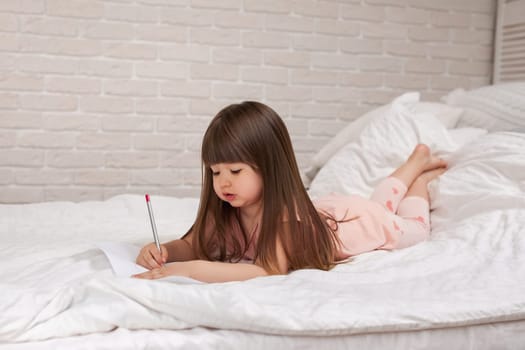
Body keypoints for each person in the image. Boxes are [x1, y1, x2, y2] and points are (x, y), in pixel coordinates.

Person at [134, 101, 447, 283]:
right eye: (216, 172)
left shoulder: (284, 218)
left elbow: (266, 270)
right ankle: (415, 162)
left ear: (269, 166)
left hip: (359, 225)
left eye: (235, 171)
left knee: (407, 225)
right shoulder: (229, 210)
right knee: (378, 203)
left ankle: (419, 176)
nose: (223, 183)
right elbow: (193, 245)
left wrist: (186, 270)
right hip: (331, 211)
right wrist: (166, 251)